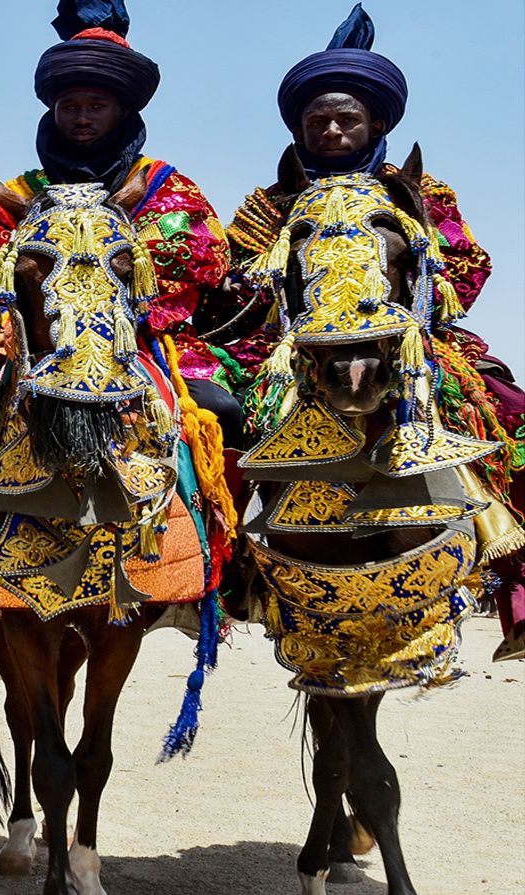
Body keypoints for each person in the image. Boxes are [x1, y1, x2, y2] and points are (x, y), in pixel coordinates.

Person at [212, 4, 523, 654]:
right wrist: (272, 299)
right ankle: (228, 563)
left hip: (404, 339)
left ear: (376, 122)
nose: (329, 128)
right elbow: (232, 278)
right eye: (316, 119)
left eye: (344, 117)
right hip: (291, 349)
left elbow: (466, 263)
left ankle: (513, 568)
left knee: (506, 405)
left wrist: (412, 304)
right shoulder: (270, 203)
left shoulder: (415, 191)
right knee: (215, 415)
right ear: (299, 126)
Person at [0, 0, 228, 399]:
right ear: (53, 113)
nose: (82, 118)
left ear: (122, 112)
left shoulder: (162, 186)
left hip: (137, 336)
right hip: (27, 334)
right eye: (70, 107)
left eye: (97, 107)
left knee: (219, 408)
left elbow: (193, 259)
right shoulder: (21, 192)